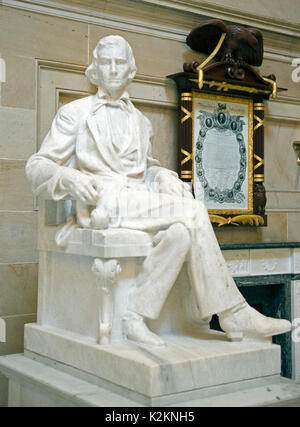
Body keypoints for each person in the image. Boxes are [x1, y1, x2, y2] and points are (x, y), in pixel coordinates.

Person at [26, 35, 291, 346]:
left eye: (119, 63)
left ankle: (136, 314)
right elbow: (37, 167)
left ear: (130, 71)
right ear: (95, 70)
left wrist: (162, 175)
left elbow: (145, 168)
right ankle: (232, 311)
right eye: (106, 63)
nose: (112, 69)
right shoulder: (76, 113)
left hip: (136, 201)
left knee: (180, 232)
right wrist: (70, 179)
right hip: (104, 203)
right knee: (192, 210)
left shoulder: (139, 121)